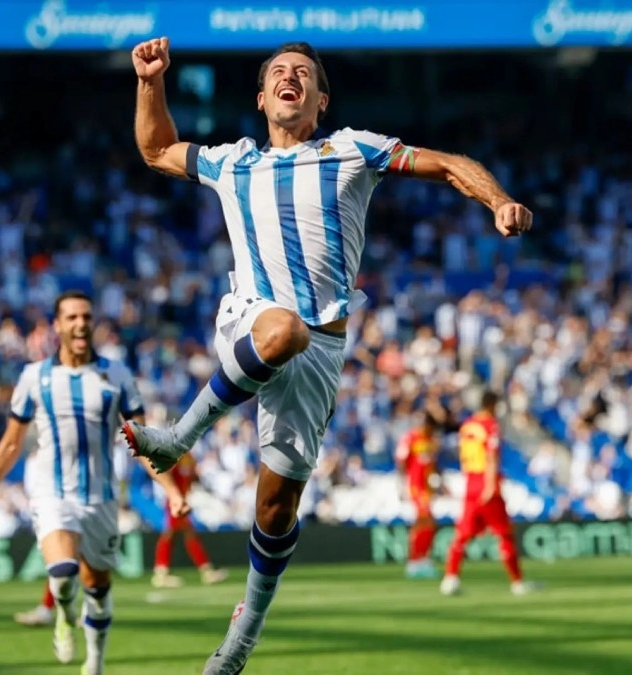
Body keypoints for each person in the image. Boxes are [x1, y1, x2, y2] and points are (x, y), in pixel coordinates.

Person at [126, 37, 533, 674]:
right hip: (254, 319)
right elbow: (154, 150)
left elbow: (449, 163)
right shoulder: (232, 162)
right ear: (261, 99)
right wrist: (151, 82)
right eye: (279, 74)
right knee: (283, 329)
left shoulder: (351, 150)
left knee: (275, 505)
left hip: (324, 349)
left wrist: (496, 200)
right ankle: (178, 437)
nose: (291, 79)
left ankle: (243, 635)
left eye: (304, 75)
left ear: (320, 100)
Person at [0, 291, 190, 675]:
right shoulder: (35, 377)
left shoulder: (116, 374)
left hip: (101, 496)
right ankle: (65, 617)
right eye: (71, 317)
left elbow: (144, 439)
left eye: (85, 316)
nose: (80, 323)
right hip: (52, 492)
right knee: (64, 572)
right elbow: (11, 442)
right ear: (57, 325)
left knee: (97, 588)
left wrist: (171, 490)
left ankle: (95, 661)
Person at [440, 391, 536, 596]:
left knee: (463, 533)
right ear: (492, 405)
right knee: (504, 534)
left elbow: (462, 454)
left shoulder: (467, 426)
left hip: (470, 482)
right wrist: (491, 485)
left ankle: (450, 578)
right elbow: (491, 456)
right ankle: (517, 583)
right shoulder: (490, 425)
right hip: (485, 481)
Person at [152, 453, 229, 589]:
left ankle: (162, 572)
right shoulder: (173, 455)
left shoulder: (187, 456)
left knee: (176, 533)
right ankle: (204, 571)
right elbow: (165, 475)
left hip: (182, 499)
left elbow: (193, 475)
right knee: (176, 533)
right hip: (175, 500)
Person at [395, 412, 440, 579]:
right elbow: (401, 462)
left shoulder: (430, 441)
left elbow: (433, 465)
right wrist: (401, 486)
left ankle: (421, 559)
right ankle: (415, 561)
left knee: (426, 524)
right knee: (425, 521)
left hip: (427, 488)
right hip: (416, 487)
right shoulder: (410, 438)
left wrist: (439, 483)